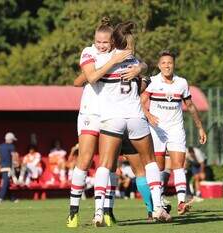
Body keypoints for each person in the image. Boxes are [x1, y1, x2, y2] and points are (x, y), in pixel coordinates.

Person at [67, 17, 145, 228]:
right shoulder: (89, 52)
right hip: (90, 114)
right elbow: (90, 78)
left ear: (112, 42)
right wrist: (113, 61)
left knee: (109, 164)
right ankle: (73, 212)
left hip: (111, 114)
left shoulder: (116, 53)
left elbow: (140, 61)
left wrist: (139, 68)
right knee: (84, 160)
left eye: (105, 42)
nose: (101, 45)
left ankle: (105, 211)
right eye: (98, 41)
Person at [92, 21, 171, 227]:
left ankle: (98, 212)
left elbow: (91, 77)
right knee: (150, 162)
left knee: (105, 165)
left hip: (112, 118)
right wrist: (140, 68)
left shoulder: (101, 58)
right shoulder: (133, 61)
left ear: (111, 42)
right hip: (135, 117)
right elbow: (144, 74)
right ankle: (158, 209)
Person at [141, 50, 207, 215]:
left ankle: (181, 202)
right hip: (156, 130)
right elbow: (140, 102)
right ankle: (159, 198)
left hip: (176, 129)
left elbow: (190, 106)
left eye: (169, 63)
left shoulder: (182, 83)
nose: (167, 66)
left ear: (174, 64)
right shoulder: (153, 81)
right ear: (159, 65)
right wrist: (148, 115)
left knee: (179, 165)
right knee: (159, 167)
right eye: (163, 63)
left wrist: (200, 127)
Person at [0, 132, 18, 203]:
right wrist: (15, 164)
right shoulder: (11, 146)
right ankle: (0, 198)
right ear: (10, 139)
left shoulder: (0, 146)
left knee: (7, 183)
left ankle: (12, 198)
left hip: (2, 167)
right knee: (5, 182)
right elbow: (14, 156)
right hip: (8, 167)